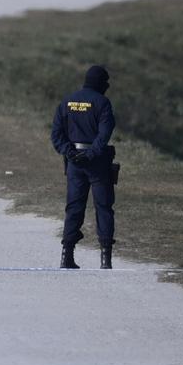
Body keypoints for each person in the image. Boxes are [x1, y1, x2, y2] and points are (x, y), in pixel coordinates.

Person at [50, 65, 117, 269]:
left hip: (74, 163)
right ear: (102, 84)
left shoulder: (67, 101)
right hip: (96, 164)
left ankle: (66, 256)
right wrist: (91, 154)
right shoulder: (103, 103)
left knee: (74, 208)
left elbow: (56, 134)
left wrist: (69, 152)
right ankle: (105, 260)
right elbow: (104, 135)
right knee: (103, 208)